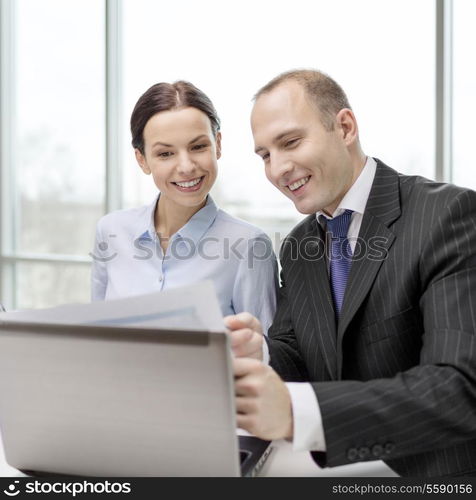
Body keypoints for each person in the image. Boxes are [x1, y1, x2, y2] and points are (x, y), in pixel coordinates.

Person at [225, 69, 476, 477]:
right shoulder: (299, 246)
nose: (278, 169)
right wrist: (261, 353)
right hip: (339, 472)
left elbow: (459, 387)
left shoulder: (447, 216)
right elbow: (301, 354)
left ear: (344, 127)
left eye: (290, 142)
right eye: (265, 155)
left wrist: (294, 410)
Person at [91, 81, 277, 331]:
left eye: (198, 147)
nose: (187, 166)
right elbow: (97, 335)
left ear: (218, 145)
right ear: (142, 159)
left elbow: (264, 352)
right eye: (165, 154)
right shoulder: (111, 231)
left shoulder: (250, 246)